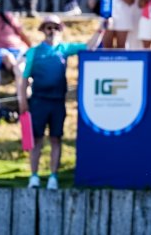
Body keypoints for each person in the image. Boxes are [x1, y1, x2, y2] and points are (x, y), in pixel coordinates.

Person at [18, 14, 106, 189]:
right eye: (49, 27)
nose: (52, 31)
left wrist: (101, 28)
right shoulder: (34, 52)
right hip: (38, 102)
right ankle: (34, 176)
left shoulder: (64, 49)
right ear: (43, 30)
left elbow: (90, 47)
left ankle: (53, 177)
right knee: (36, 140)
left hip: (58, 102)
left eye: (56, 28)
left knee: (56, 139)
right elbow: (24, 79)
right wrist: (22, 101)